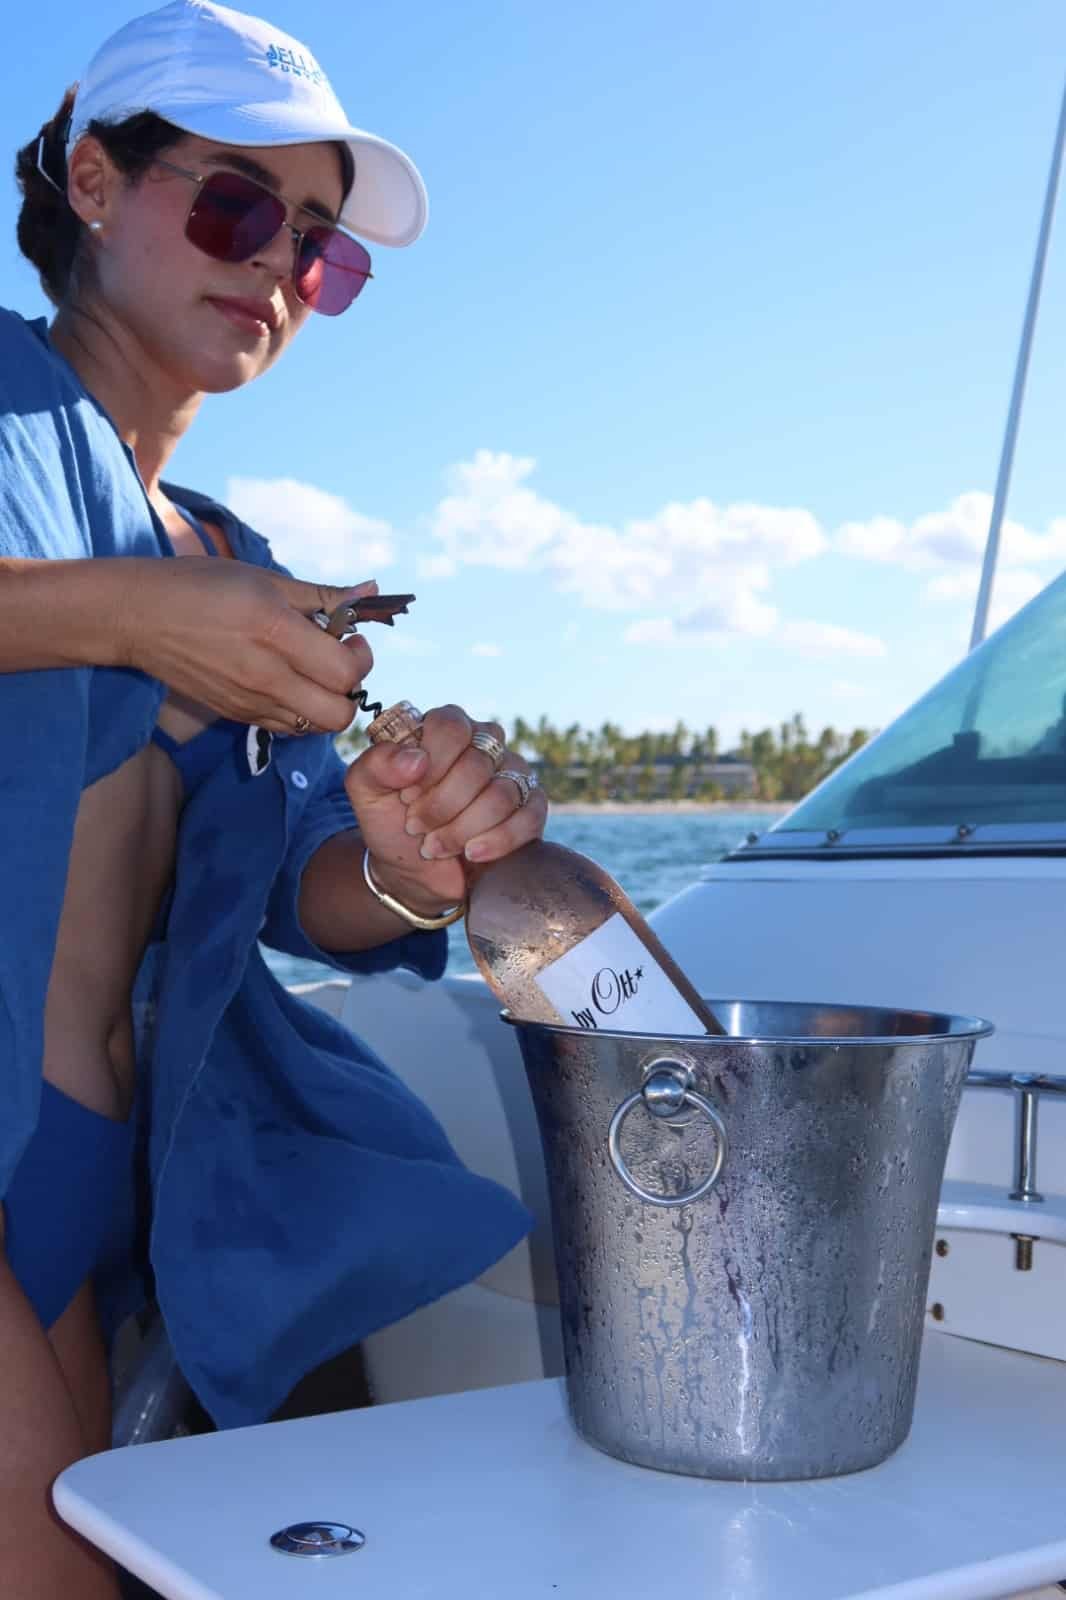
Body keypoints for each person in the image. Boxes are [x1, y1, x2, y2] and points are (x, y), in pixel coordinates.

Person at [0, 2, 546, 1593]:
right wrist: (124, 616)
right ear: (94, 185)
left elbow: (313, 884)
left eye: (319, 247)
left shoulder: (230, 558)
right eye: (235, 203)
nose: (278, 266)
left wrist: (404, 863)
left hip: (94, 1175)